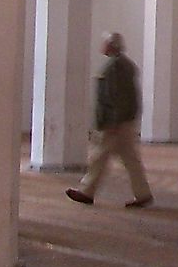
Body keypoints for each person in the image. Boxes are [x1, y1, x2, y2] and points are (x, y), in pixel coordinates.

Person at [66, 33, 153, 208]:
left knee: (99, 157)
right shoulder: (123, 65)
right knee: (130, 159)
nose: (102, 45)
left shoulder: (115, 67)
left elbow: (117, 97)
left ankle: (86, 191)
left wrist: (113, 122)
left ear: (111, 45)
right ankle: (143, 194)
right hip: (122, 121)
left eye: (105, 42)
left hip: (116, 123)